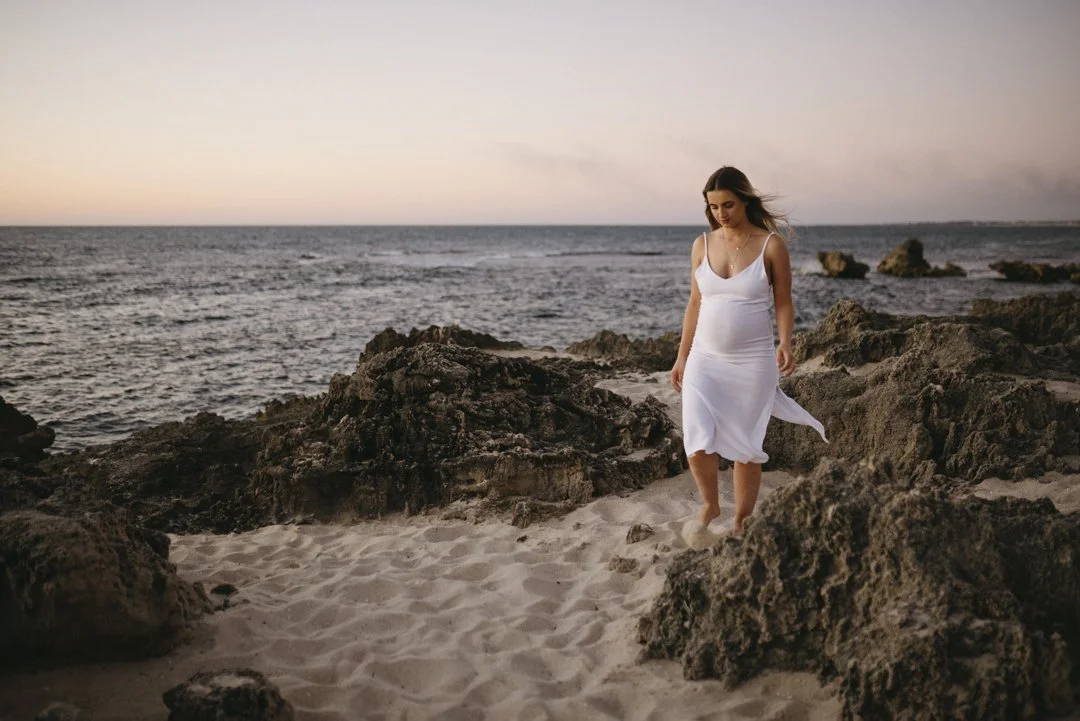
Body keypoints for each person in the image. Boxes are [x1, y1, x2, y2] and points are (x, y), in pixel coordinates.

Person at [670, 166, 827, 548]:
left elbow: (784, 301)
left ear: (745, 201)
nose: (721, 213)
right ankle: (709, 506)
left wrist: (786, 342)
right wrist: (681, 357)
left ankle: (741, 521)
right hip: (704, 360)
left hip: (752, 362)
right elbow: (695, 303)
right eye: (713, 207)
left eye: (728, 205)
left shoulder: (771, 244)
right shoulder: (702, 245)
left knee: (745, 444)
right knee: (697, 437)